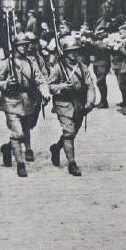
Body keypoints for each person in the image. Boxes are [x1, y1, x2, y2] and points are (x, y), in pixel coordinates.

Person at [0, 33, 51, 177]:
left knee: (25, 132)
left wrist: (45, 91)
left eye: (26, 45)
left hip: (28, 101)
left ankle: (8, 148)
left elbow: (40, 79)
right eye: (20, 45)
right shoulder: (6, 63)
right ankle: (20, 163)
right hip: (11, 102)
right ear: (15, 47)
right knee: (18, 132)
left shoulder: (32, 62)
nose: (24, 48)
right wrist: (7, 83)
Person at [48, 36, 96, 176]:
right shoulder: (58, 68)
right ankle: (72, 163)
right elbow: (49, 86)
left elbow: (90, 86)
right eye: (70, 51)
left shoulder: (82, 67)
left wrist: (90, 101)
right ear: (64, 52)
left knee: (72, 132)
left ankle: (56, 148)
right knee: (69, 132)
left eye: (76, 51)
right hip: (63, 103)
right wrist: (62, 86)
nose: (74, 54)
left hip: (79, 104)